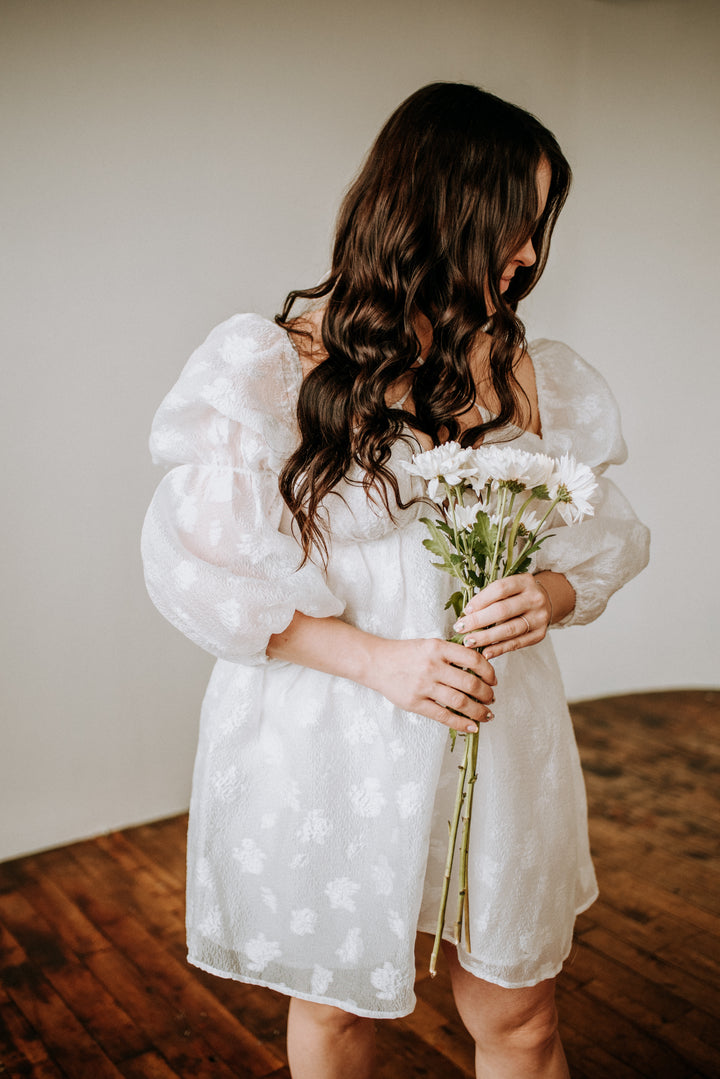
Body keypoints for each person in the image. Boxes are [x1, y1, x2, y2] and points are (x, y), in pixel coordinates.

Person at [142, 83, 650, 1079]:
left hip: (490, 739)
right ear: (440, 209)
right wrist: (381, 661)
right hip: (333, 736)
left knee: (524, 1019)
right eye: (516, 224)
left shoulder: (523, 371)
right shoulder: (273, 367)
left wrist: (543, 596)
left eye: (540, 228)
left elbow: (597, 539)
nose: (529, 256)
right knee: (336, 1017)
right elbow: (202, 575)